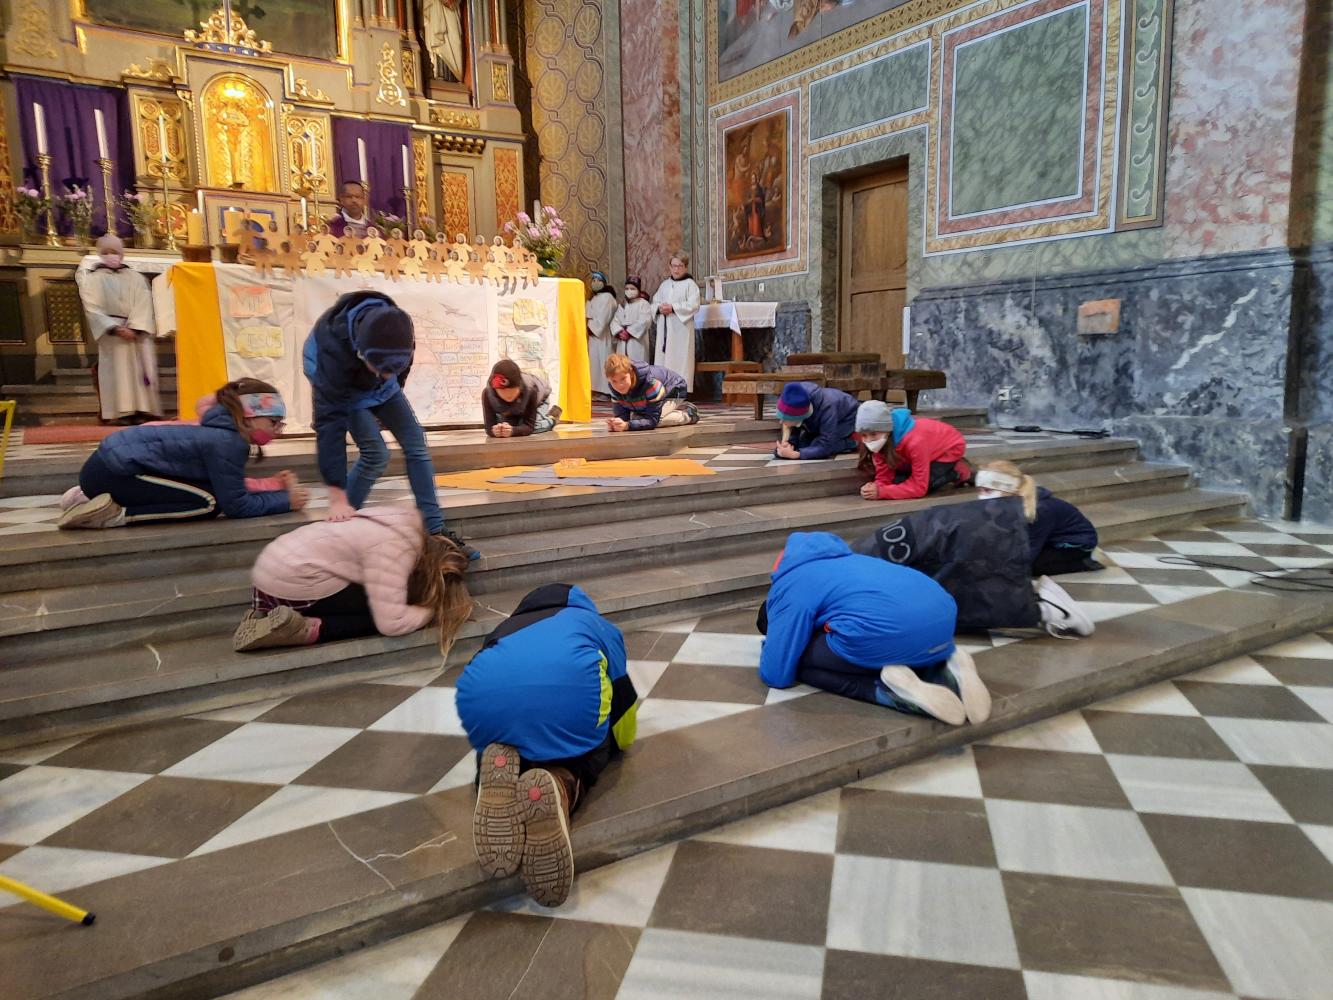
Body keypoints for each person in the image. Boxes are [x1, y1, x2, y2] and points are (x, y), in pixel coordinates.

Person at [456, 583, 638, 907]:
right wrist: (617, 743)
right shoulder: (597, 625)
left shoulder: (504, 628)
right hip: (569, 703)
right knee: (588, 747)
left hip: (482, 702)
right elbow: (623, 710)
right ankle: (561, 784)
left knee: (508, 731)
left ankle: (495, 773)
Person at [303, 289, 478, 559]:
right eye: (381, 368)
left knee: (416, 443)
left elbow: (398, 371)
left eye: (391, 369)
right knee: (376, 454)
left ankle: (435, 531)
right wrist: (336, 493)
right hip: (342, 386)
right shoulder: (332, 350)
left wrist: (388, 389)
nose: (386, 375)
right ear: (362, 352)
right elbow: (330, 425)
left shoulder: (398, 328)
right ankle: (338, 529)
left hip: (378, 384)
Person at [757, 531, 991, 726]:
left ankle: (883, 690)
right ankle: (946, 666)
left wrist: (773, 647)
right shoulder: (854, 561)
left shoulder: (790, 584)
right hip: (943, 623)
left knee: (798, 660)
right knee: (887, 638)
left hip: (890, 633)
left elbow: (776, 674)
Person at [58, 378, 304, 529]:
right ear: (248, 416)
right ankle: (114, 516)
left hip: (105, 468)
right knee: (209, 503)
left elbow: (229, 484)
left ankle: (88, 497)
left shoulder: (220, 433)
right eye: (273, 422)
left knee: (206, 491)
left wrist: (273, 487)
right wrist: (286, 502)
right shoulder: (228, 442)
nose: (278, 430)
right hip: (112, 473)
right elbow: (236, 506)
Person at [233, 504, 472, 652]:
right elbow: (392, 624)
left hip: (269, 573)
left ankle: (262, 615)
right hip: (294, 584)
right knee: (377, 614)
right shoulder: (397, 550)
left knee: (379, 595)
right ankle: (303, 628)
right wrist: (431, 611)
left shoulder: (396, 520)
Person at [854, 500, 1095, 639]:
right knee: (948, 596)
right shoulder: (855, 554)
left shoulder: (1041, 509)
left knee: (946, 607)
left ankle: (1048, 609)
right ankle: (1041, 604)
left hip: (949, 538)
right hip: (943, 531)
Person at [75, 234, 161, 424]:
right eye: (106, 252)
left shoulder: (135, 277)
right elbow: (92, 308)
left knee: (140, 371)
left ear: (121, 254)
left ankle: (143, 410)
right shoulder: (93, 279)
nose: (111, 255)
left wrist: (136, 328)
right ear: (100, 254)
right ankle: (121, 413)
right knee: (117, 373)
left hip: (135, 331)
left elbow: (144, 303)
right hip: (112, 334)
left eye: (114, 251)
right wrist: (114, 328)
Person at [976, 460, 1103, 576]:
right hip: (1047, 539)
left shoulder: (1039, 510)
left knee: (1032, 567)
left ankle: (1083, 563)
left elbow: (1030, 548)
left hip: (1074, 544)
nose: (981, 496)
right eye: (980, 490)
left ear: (1009, 489)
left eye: (987, 490)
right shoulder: (1009, 503)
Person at [855, 400, 971, 501]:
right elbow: (884, 475)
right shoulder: (882, 440)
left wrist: (882, 492)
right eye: (864, 435)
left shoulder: (915, 442)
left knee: (926, 486)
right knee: (898, 482)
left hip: (948, 449)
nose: (868, 440)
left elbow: (920, 488)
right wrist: (875, 487)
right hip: (918, 453)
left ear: (887, 430)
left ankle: (956, 471)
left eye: (873, 434)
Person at [604, 354, 698, 431]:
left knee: (657, 421)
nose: (619, 385)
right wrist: (616, 424)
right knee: (637, 420)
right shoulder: (614, 388)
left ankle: (688, 414)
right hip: (651, 399)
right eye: (614, 381)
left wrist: (627, 425)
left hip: (674, 389)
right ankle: (670, 409)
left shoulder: (650, 383)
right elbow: (623, 416)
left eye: (623, 378)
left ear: (631, 373)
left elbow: (652, 420)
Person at [650, 252, 700, 388]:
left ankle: (680, 389)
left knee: (680, 359)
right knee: (663, 360)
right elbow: (654, 303)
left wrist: (673, 308)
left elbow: (694, 305)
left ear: (686, 267)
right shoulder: (664, 285)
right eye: (674, 266)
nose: (676, 269)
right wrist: (659, 308)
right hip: (665, 330)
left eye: (680, 266)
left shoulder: (690, 285)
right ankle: (663, 388)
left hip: (681, 331)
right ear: (669, 267)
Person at [773, 381, 859, 460]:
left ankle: (851, 443)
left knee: (817, 445)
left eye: (785, 419)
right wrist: (789, 444)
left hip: (848, 418)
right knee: (803, 446)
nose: (781, 422)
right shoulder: (796, 397)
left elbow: (825, 445)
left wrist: (796, 455)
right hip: (818, 421)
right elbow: (794, 425)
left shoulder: (827, 408)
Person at [483, 359, 560, 438]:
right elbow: (489, 427)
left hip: (539, 400)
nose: (507, 395)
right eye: (502, 391)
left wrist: (513, 431)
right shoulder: (488, 394)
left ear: (519, 386)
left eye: (511, 390)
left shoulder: (530, 389)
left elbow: (529, 426)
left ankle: (552, 419)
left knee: (535, 426)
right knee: (505, 427)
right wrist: (495, 431)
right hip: (514, 408)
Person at [585, 270, 617, 395]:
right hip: (593, 337)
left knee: (603, 361)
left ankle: (606, 391)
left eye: (598, 280)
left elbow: (604, 317)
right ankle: (596, 390)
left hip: (602, 336)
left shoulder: (607, 297)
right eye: (593, 280)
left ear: (604, 283)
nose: (595, 282)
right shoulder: (594, 297)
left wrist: (592, 328)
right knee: (594, 364)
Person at [610, 275, 652, 364]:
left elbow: (644, 321)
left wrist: (629, 332)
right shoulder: (623, 305)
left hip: (637, 343)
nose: (629, 291)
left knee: (637, 366)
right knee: (622, 366)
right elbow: (615, 321)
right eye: (627, 288)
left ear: (638, 290)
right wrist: (619, 332)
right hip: (622, 342)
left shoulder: (644, 304)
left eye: (632, 289)